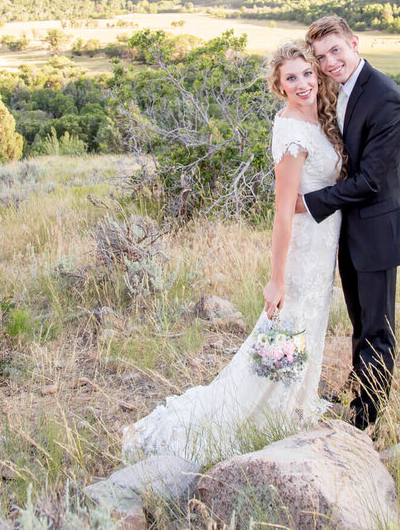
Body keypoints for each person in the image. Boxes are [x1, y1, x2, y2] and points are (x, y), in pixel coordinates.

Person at [120, 41, 346, 466]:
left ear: (318, 75)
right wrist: (276, 278)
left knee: (309, 328)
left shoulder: (319, 117)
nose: (302, 84)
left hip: (323, 247)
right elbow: (282, 214)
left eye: (307, 74)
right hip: (301, 252)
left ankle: (292, 405)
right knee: (286, 330)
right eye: (290, 78)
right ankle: (255, 415)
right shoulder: (292, 134)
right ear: (278, 88)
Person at [298, 15, 400, 430]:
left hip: (376, 231)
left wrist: (308, 202)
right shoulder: (339, 89)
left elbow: (369, 181)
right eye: (321, 57)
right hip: (347, 230)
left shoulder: (387, 98)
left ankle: (367, 422)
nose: (329, 63)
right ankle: (359, 398)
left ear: (355, 43)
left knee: (376, 330)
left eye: (336, 51)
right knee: (359, 322)